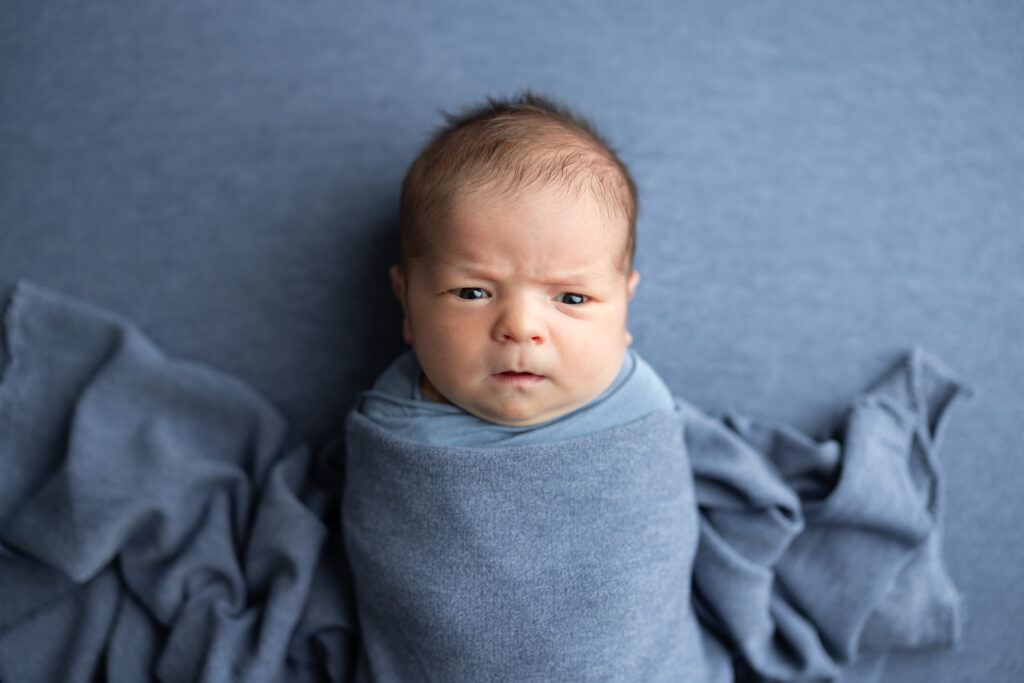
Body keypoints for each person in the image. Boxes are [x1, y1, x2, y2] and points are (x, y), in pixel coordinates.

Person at [358, 92, 676, 445]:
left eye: (571, 297)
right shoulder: (391, 425)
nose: (521, 327)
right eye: (473, 293)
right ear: (407, 304)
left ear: (624, 310)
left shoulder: (644, 410)